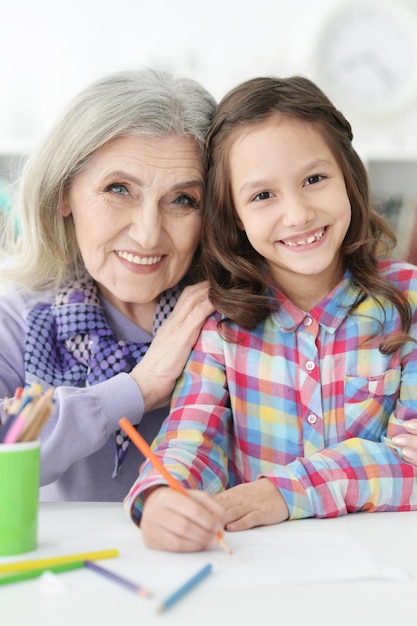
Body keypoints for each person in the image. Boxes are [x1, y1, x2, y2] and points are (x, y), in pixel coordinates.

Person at [124, 75, 417, 552]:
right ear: (233, 214)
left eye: (314, 179)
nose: (298, 214)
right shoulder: (222, 324)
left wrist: (284, 492)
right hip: (260, 563)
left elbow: (412, 466)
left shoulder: (409, 299)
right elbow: (191, 439)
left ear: (349, 177)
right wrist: (160, 497)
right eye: (263, 195)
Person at [0, 68, 216, 501]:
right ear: (64, 192)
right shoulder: (18, 320)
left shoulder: (230, 319)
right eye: (119, 189)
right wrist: (138, 388)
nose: (148, 234)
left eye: (183, 200)